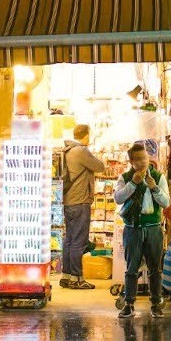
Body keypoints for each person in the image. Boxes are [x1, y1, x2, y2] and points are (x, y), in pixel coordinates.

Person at [113, 142, 170, 318]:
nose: (143, 162)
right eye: (138, 159)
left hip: (153, 228)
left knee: (155, 268)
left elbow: (166, 203)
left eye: (144, 157)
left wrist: (154, 188)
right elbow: (118, 198)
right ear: (131, 161)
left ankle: (156, 303)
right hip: (133, 228)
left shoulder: (158, 177)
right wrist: (133, 183)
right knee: (131, 268)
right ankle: (129, 304)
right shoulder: (125, 177)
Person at [60, 124, 105, 290]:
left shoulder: (67, 150)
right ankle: (77, 279)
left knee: (69, 240)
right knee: (78, 241)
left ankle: (66, 276)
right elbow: (100, 167)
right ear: (86, 135)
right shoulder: (81, 151)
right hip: (80, 201)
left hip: (69, 201)